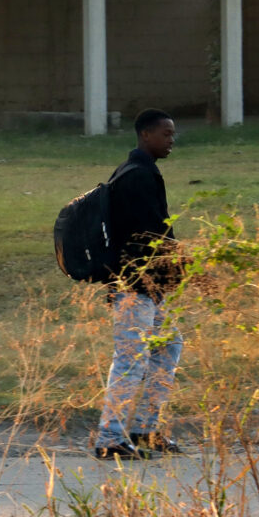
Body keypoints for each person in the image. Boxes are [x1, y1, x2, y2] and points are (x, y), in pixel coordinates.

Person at [94, 109, 184, 461]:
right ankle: (110, 438)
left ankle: (145, 430)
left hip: (150, 285)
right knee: (131, 359)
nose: (171, 140)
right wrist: (185, 266)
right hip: (134, 286)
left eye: (172, 134)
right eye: (166, 134)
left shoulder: (141, 171)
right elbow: (151, 235)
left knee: (168, 346)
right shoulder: (136, 176)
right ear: (146, 135)